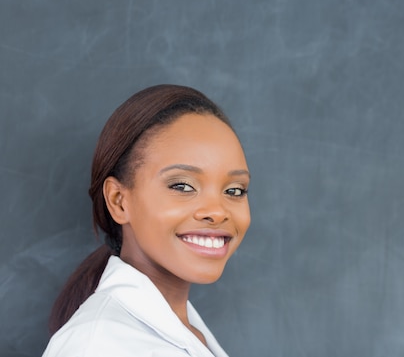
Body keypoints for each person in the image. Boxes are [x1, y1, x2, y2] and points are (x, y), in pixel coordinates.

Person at [42, 84, 251, 357]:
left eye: (234, 190)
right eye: (182, 186)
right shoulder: (96, 346)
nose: (218, 211)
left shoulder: (187, 332)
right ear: (119, 201)